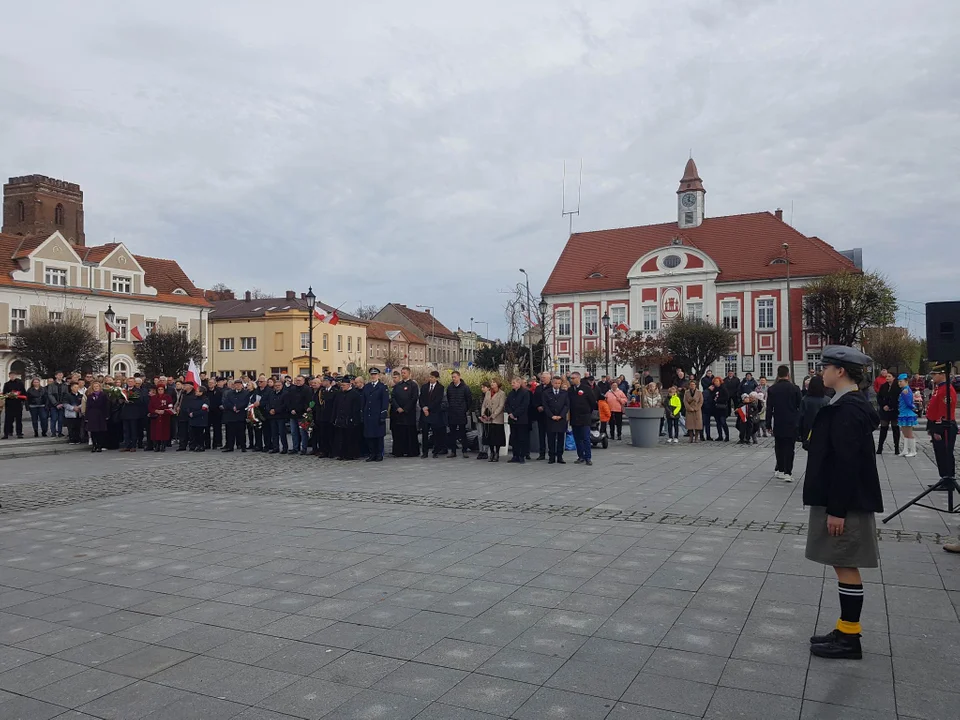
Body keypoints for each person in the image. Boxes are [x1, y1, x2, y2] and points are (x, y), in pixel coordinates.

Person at [803, 345, 882, 660]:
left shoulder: (847, 410)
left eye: (826, 367)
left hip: (845, 503)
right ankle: (845, 628)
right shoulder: (846, 405)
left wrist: (837, 511)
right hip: (842, 499)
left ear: (840, 372)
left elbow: (846, 464)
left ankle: (849, 638)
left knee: (846, 564)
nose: (822, 372)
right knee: (841, 563)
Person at [766, 365, 802, 480]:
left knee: (779, 446)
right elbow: (799, 406)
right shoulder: (795, 388)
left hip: (778, 421)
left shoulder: (772, 389)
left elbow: (769, 408)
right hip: (791, 421)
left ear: (778, 374)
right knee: (790, 447)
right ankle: (788, 472)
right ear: (788, 374)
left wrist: (768, 424)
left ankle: (780, 469)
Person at [927, 364, 958, 481]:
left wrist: (938, 430)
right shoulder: (939, 388)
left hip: (944, 427)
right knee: (939, 454)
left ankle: (948, 478)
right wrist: (930, 427)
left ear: (943, 375)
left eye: (935, 374)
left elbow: (945, 412)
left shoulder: (946, 390)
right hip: (937, 424)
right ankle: (943, 477)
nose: (933, 376)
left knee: (945, 454)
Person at [568, 372, 597, 465]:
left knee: (586, 438)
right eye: (570, 378)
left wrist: (587, 411)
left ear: (578, 378)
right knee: (577, 438)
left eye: (573, 378)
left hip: (585, 417)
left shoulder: (586, 389)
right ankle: (580, 456)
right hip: (574, 417)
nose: (571, 380)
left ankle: (588, 457)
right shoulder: (570, 390)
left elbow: (593, 402)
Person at [361, 368, 389, 462]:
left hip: (377, 415)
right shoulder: (367, 387)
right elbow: (363, 401)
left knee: (378, 436)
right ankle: (372, 454)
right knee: (369, 436)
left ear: (378, 375)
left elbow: (385, 402)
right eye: (372, 374)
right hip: (368, 415)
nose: (373, 376)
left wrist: (383, 414)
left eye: (375, 374)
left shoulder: (382, 387)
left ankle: (379, 454)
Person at [332, 375, 363, 460]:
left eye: (344, 385)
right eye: (341, 385)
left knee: (350, 438)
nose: (342, 387)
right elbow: (336, 406)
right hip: (341, 419)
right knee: (341, 438)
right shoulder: (339, 393)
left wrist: (354, 419)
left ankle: (351, 454)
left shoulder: (354, 394)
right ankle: (342, 454)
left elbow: (356, 409)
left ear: (349, 385)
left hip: (350, 420)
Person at [542, 375, 569, 464]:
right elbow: (545, 406)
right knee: (551, 439)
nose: (557, 385)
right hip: (550, 419)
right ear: (552, 383)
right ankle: (551, 456)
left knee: (561, 438)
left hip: (561, 419)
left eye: (559, 383)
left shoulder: (564, 393)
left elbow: (566, 406)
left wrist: (561, 416)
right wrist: (551, 416)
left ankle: (560, 456)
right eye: (555, 383)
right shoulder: (546, 393)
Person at [445, 371, 473, 458]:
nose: (453, 379)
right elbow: (448, 399)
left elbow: (469, 400)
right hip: (452, 413)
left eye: (455, 377)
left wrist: (464, 409)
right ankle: (453, 451)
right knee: (452, 433)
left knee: (462, 433)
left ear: (459, 377)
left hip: (461, 413)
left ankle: (464, 450)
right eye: (452, 377)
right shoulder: (450, 388)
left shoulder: (465, 388)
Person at [419, 371, 447, 458]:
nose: (430, 379)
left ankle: (436, 451)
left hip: (434, 413)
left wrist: (428, 408)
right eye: (430, 377)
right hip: (425, 414)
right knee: (424, 434)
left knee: (436, 433)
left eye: (432, 377)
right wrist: (423, 407)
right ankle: (425, 452)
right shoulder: (424, 387)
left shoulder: (440, 388)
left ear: (436, 378)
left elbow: (437, 400)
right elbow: (421, 399)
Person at [798, 376, 829, 451]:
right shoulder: (827, 400)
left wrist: (800, 434)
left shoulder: (805, 400)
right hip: (824, 432)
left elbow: (801, 417)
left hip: (809, 432)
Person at [480, 380, 506, 462]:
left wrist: (493, 415)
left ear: (497, 384)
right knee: (490, 436)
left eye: (494, 382)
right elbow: (484, 404)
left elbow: (501, 406)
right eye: (491, 382)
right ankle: (491, 452)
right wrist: (483, 414)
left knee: (497, 437)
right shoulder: (488, 393)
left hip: (497, 419)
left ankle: (497, 453)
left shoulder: (502, 394)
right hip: (487, 419)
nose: (492, 383)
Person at [286, 375, 312, 455]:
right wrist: (291, 409)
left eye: (300, 380)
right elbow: (288, 400)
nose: (298, 382)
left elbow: (307, 402)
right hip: (293, 414)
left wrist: (298, 410)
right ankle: (295, 447)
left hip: (302, 414)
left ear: (303, 381)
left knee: (303, 432)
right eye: (297, 380)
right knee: (294, 432)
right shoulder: (292, 389)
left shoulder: (307, 389)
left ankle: (304, 448)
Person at [221, 378, 249, 452]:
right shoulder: (230, 393)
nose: (237, 386)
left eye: (239, 384)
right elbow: (226, 402)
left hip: (241, 414)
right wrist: (232, 407)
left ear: (242, 385)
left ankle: (243, 446)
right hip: (231, 414)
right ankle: (230, 447)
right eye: (236, 385)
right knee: (230, 433)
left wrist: (238, 407)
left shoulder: (246, 393)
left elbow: (246, 402)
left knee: (241, 432)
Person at [875, 373, 900, 455]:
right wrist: (883, 405)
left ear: (893, 378)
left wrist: (890, 406)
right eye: (887, 376)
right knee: (883, 428)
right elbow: (879, 397)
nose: (887, 378)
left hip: (894, 410)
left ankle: (896, 448)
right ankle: (880, 447)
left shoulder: (897, 386)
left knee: (895, 429)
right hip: (884, 410)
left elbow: (898, 398)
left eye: (889, 376)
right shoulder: (884, 386)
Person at [262, 379, 288, 454]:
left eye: (279, 385)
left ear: (282, 386)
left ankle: (284, 448)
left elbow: (284, 405)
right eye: (276, 386)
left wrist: (276, 410)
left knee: (282, 433)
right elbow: (267, 403)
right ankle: (275, 447)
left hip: (281, 416)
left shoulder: (285, 394)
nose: (277, 387)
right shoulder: (271, 393)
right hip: (272, 416)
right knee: (274, 433)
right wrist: (269, 410)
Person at [896, 373, 919, 458]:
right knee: (905, 433)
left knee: (909, 433)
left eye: (901, 381)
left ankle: (913, 451)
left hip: (907, 413)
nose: (899, 383)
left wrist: (914, 407)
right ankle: (905, 449)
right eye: (898, 381)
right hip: (903, 413)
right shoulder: (904, 390)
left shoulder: (906, 390)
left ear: (906, 381)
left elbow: (909, 403)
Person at [119, 378, 145, 451]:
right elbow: (120, 398)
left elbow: (140, 401)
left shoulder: (137, 391)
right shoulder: (124, 390)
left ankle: (133, 446)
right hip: (125, 413)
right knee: (126, 430)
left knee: (133, 430)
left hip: (134, 413)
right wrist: (121, 400)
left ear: (134, 383)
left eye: (131, 382)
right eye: (128, 382)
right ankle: (126, 445)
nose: (130, 383)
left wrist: (131, 401)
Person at [147, 382, 174, 451]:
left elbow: (170, 406)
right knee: (155, 432)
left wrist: (164, 411)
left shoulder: (168, 397)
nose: (160, 391)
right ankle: (156, 445)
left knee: (164, 431)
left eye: (162, 389)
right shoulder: (153, 398)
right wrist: (155, 411)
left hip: (165, 417)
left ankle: (163, 445)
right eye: (159, 389)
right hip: (156, 417)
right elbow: (150, 407)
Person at [83, 381, 109, 452]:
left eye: (97, 386)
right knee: (93, 431)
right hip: (92, 415)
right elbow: (88, 407)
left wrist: (106, 415)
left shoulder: (103, 395)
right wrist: (87, 417)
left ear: (100, 387)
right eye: (94, 387)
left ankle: (99, 446)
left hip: (100, 415)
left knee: (100, 432)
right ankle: (94, 445)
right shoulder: (90, 396)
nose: (96, 388)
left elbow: (106, 406)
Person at [532, 372, 552, 459]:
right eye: (542, 377)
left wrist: (545, 407)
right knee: (541, 434)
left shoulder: (552, 387)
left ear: (549, 378)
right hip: (540, 414)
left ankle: (551, 453)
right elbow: (534, 399)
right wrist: (537, 406)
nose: (542, 379)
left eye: (544, 377)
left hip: (549, 414)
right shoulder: (538, 388)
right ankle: (542, 453)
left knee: (550, 435)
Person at [2, 370, 26, 439]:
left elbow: (23, 393)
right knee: (8, 420)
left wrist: (20, 399)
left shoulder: (20, 384)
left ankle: (19, 433)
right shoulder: (6, 384)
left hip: (18, 404)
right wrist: (9, 395)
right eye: (11, 375)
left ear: (16, 376)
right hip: (9, 405)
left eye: (14, 375)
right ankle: (6, 434)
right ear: (9, 376)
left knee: (19, 420)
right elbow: (4, 394)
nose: (12, 376)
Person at [316, 376, 335, 457]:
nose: (323, 382)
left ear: (329, 382)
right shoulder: (321, 391)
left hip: (330, 416)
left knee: (330, 435)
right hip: (322, 416)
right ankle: (324, 451)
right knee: (323, 435)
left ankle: (331, 451)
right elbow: (318, 403)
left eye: (325, 381)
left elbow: (334, 405)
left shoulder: (334, 391)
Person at [187, 385, 210, 451]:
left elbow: (203, 410)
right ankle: (195, 445)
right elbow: (189, 407)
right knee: (194, 434)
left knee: (200, 434)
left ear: (201, 392)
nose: (195, 392)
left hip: (201, 419)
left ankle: (201, 445)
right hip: (193, 419)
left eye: (197, 391)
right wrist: (189, 413)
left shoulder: (205, 400)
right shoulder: (193, 399)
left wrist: (194, 414)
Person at [47, 372, 68, 438]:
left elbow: (66, 394)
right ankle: (53, 432)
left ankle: (60, 432)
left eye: (61, 375)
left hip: (62, 404)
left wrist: (62, 403)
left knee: (60, 419)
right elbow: (50, 395)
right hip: (54, 405)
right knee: (54, 419)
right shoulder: (52, 385)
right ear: (56, 376)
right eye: (59, 375)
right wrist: (56, 403)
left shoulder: (65, 385)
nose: (60, 376)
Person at [175, 381, 194, 451]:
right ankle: (182, 445)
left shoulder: (194, 394)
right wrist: (177, 407)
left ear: (190, 386)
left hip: (190, 415)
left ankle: (192, 445)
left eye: (186, 385)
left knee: (191, 431)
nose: (184, 386)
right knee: (182, 431)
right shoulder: (183, 394)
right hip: (182, 415)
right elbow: (179, 402)